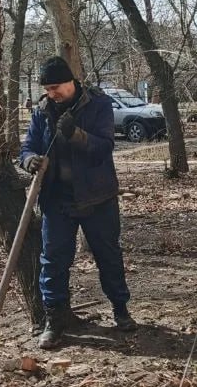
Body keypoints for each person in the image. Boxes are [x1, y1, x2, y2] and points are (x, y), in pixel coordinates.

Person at [20, 55, 136, 349]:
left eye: (56, 87)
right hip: (56, 200)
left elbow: (105, 148)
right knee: (53, 262)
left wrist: (77, 134)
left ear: (71, 82)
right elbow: (28, 146)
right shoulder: (42, 110)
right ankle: (54, 320)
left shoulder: (98, 104)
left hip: (98, 197)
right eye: (47, 88)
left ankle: (121, 310)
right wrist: (29, 160)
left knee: (108, 256)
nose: (51, 93)